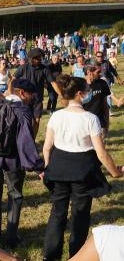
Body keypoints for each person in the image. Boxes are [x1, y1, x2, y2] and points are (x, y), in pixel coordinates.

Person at [42, 75, 123, 260]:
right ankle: (77, 255)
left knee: (57, 213)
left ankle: (50, 256)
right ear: (80, 94)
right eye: (86, 90)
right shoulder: (90, 119)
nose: (88, 93)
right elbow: (101, 153)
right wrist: (115, 172)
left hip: (59, 168)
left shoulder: (56, 116)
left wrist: (47, 168)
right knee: (80, 216)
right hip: (83, 169)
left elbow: (47, 147)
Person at [0, 78, 44, 248]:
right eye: (30, 95)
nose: (32, 98)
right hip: (13, 160)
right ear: (21, 93)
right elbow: (25, 142)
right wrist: (38, 166)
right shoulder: (23, 112)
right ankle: (11, 235)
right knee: (15, 195)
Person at [10, 48, 62, 138]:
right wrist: (11, 93)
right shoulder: (24, 67)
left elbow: (53, 83)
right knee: (25, 121)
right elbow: (12, 79)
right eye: (38, 59)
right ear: (32, 59)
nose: (40, 60)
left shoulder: (45, 69)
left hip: (38, 99)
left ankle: (32, 141)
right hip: (25, 99)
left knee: (37, 121)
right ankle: (22, 140)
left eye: (40, 58)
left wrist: (61, 95)